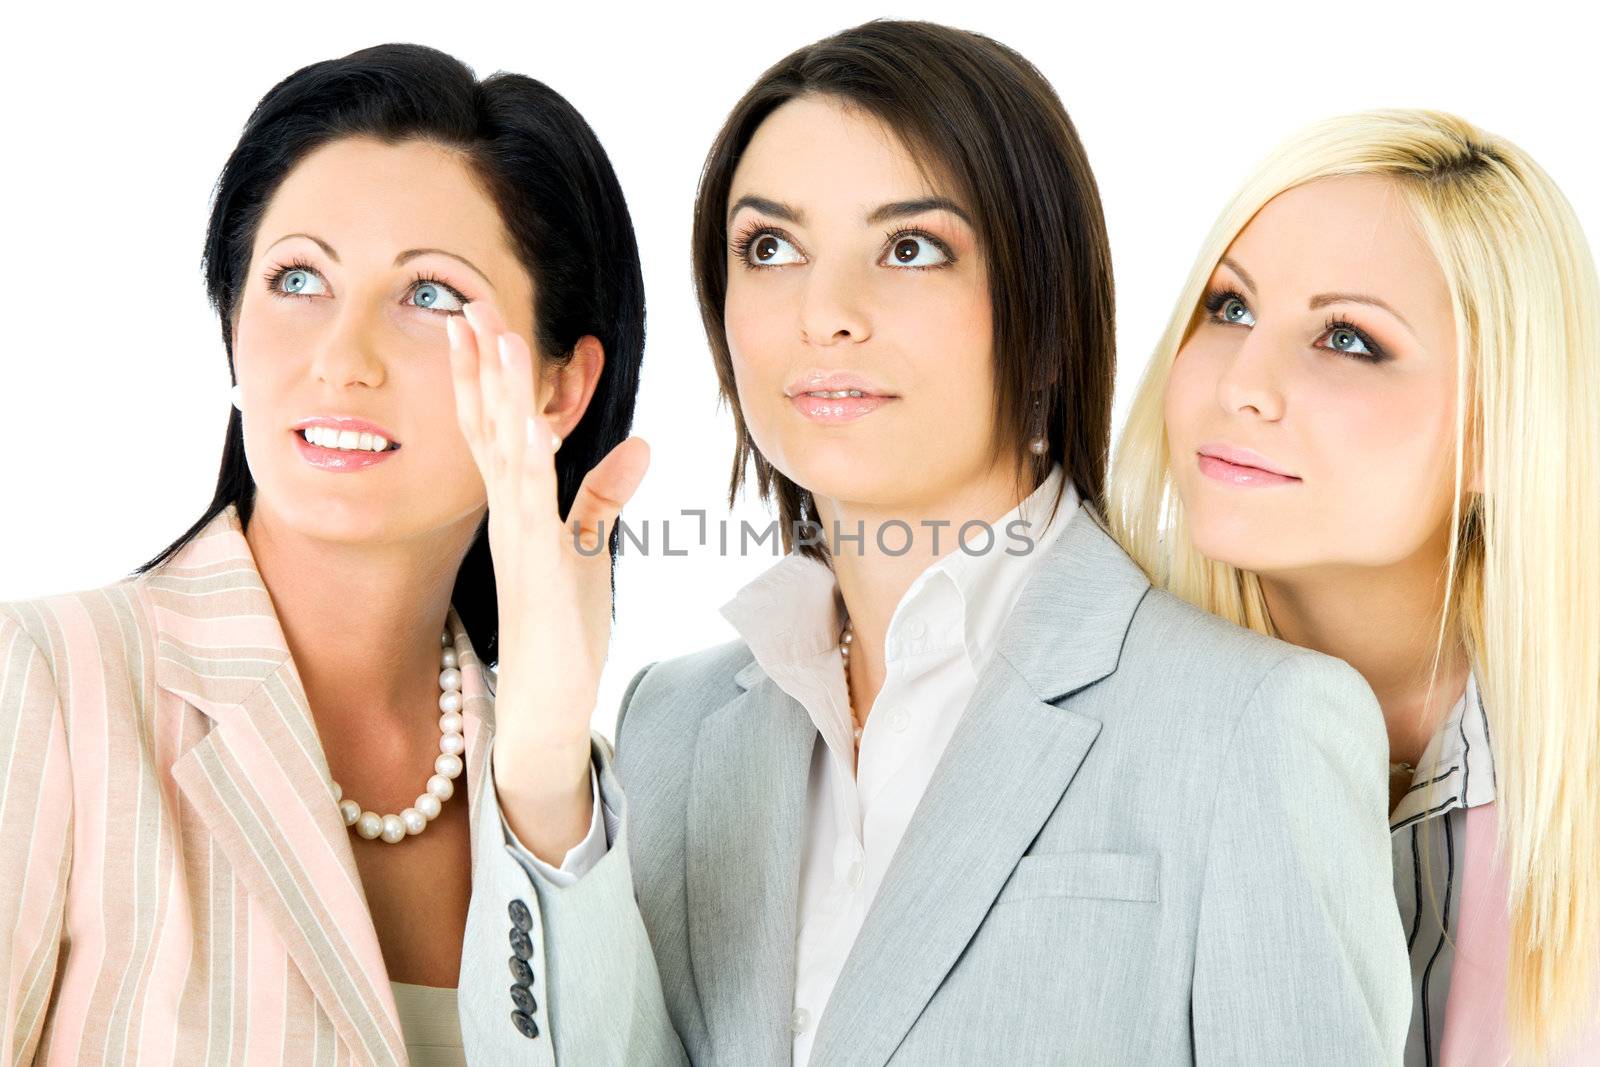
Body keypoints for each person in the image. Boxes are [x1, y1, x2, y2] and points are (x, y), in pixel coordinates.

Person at [457, 20, 1410, 1065]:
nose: (825, 312)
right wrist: (545, 762)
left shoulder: (1251, 727)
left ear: (1044, 313)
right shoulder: (672, 725)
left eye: (910, 248)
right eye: (769, 247)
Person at [0, 43, 646, 1065]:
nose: (341, 358)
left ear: (561, 390)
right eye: (297, 277)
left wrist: (544, 762)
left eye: (431, 295)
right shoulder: (42, 684)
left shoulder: (581, 796)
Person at [1109, 108, 1600, 1064]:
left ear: (1501, 427)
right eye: (1231, 307)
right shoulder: (1087, 709)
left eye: (1347, 339)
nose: (1242, 383)